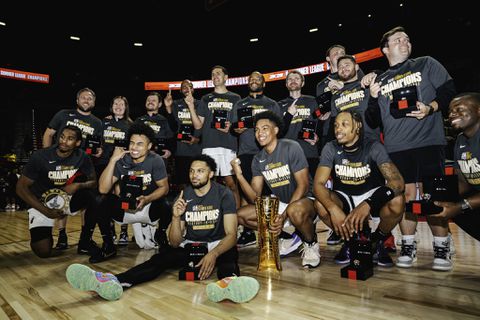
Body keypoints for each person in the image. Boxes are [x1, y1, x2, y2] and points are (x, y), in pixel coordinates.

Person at [66, 154, 240, 301]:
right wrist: (175, 216)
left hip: (218, 244)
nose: (194, 175)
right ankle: (114, 281)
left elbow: (231, 235)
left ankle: (229, 286)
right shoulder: (185, 194)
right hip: (192, 244)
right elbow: (174, 242)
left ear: (211, 174)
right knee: (158, 260)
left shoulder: (223, 194)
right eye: (192, 171)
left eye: (200, 171)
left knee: (228, 261)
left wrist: (214, 253)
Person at [365, 26, 457, 271]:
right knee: (404, 197)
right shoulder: (379, 79)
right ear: (385, 49)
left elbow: (448, 90)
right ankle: (408, 244)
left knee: (433, 196)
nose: (404, 42)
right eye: (397, 40)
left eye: (407, 39)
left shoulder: (426, 63)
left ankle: (441, 245)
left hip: (429, 142)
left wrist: (431, 107)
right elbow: (372, 120)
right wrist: (373, 98)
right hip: (396, 147)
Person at [314, 110, 405, 267]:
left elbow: (397, 182)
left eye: (344, 124)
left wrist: (368, 203)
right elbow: (318, 184)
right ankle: (351, 241)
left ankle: (376, 242)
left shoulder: (373, 146)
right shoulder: (330, 147)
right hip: (345, 197)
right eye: (336, 125)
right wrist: (333, 209)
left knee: (398, 200)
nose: (338, 129)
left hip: (371, 196)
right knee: (321, 204)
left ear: (358, 126)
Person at [231, 111, 320, 268]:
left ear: (276, 130)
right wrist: (239, 176)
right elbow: (254, 198)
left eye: (265, 128)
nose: (260, 133)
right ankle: (288, 237)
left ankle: (311, 243)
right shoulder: (258, 159)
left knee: (295, 211)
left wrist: (283, 216)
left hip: (306, 201)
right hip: (283, 205)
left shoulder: (291, 147)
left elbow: (303, 185)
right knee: (241, 216)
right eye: (257, 130)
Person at [79, 122, 171, 262]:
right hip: (125, 209)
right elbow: (103, 189)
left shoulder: (155, 160)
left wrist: (147, 198)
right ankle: (108, 245)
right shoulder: (121, 160)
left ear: (149, 146)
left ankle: (161, 235)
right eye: (132, 143)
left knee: (168, 203)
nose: (134, 147)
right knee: (99, 199)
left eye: (140, 144)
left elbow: (164, 188)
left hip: (147, 207)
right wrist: (113, 160)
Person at [16, 125, 97, 258]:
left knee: (95, 196)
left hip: (66, 198)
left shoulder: (82, 156)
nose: (64, 141)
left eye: (70, 139)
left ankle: (85, 241)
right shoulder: (41, 156)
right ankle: (42, 233)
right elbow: (21, 188)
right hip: (41, 201)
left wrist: (78, 185)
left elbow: (93, 182)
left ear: (77, 143)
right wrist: (46, 211)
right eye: (62, 137)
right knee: (43, 251)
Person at [42, 87, 103, 250]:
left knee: (87, 202)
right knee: (60, 199)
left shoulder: (97, 123)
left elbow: (97, 146)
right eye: (83, 97)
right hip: (60, 165)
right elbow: (48, 134)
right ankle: (62, 235)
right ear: (77, 100)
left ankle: (85, 237)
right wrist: (46, 157)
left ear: (94, 102)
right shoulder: (63, 114)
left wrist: (98, 151)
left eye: (90, 98)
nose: (86, 100)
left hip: (83, 167)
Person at [232, 71, 282, 247]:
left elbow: (279, 128)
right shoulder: (240, 103)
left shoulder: (271, 104)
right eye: (251, 79)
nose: (254, 81)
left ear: (264, 83)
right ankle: (248, 233)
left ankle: (274, 230)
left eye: (258, 79)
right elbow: (233, 126)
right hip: (245, 152)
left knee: (267, 193)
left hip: (266, 153)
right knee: (247, 192)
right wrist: (235, 129)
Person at [431, 92, 480, 241]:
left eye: (459, 109)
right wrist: (437, 195)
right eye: (450, 111)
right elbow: (463, 182)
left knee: (459, 208)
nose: (452, 114)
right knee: (447, 208)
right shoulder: (460, 140)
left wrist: (461, 206)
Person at [191, 65, 241, 208]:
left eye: (218, 74)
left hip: (228, 145)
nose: (215, 76)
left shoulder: (235, 98)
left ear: (226, 78)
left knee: (231, 183)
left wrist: (230, 127)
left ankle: (237, 218)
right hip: (209, 146)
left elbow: (238, 124)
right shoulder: (205, 98)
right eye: (213, 74)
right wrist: (190, 106)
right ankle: (210, 213)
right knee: (207, 183)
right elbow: (198, 125)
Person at [98, 96, 133, 246]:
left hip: (123, 165)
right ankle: (110, 230)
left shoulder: (131, 125)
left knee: (122, 197)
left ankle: (124, 231)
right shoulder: (103, 123)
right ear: (111, 107)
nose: (118, 106)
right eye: (115, 103)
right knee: (105, 199)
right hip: (104, 164)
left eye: (122, 104)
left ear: (126, 107)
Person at [166, 79, 202, 188]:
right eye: (183, 87)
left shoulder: (201, 104)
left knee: (197, 182)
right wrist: (168, 107)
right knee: (182, 184)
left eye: (189, 86)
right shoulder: (175, 104)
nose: (186, 88)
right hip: (181, 150)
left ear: (193, 89)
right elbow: (172, 127)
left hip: (197, 150)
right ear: (181, 91)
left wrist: (197, 139)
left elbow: (204, 127)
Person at [135, 91, 176, 160]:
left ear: (159, 104)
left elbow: (172, 137)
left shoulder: (164, 120)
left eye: (154, 100)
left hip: (159, 158)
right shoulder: (138, 120)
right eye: (148, 100)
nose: (150, 102)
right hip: (141, 157)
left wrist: (170, 151)